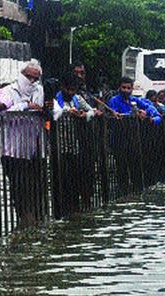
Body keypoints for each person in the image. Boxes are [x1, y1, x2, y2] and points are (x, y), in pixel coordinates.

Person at [0, 62, 46, 226]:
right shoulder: (10, 90)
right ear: (22, 75)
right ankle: (23, 219)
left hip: (33, 149)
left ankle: (35, 219)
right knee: (19, 186)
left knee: (36, 186)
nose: (31, 81)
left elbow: (45, 110)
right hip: (12, 149)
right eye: (28, 76)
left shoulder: (39, 90)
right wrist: (24, 105)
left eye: (35, 78)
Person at [51, 73, 97, 217]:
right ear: (62, 87)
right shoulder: (54, 98)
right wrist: (67, 111)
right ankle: (62, 208)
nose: (71, 93)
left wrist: (85, 115)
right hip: (58, 146)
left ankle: (75, 207)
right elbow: (53, 112)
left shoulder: (77, 98)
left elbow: (93, 110)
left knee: (75, 177)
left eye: (73, 90)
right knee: (61, 178)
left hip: (75, 146)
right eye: (69, 90)